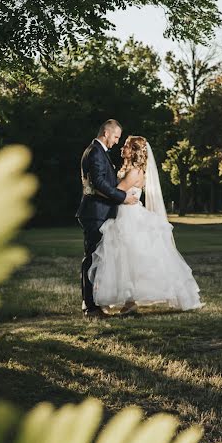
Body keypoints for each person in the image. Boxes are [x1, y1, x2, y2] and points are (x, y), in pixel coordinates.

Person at [88, 136, 203, 313]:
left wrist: (94, 190)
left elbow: (116, 193)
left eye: (126, 146)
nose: (122, 148)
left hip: (128, 218)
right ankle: (129, 302)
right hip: (125, 215)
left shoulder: (134, 172)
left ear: (133, 151)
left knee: (130, 259)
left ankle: (130, 301)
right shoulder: (131, 170)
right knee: (127, 260)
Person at [76, 120, 139, 318]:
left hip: (100, 211)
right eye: (116, 137)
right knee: (92, 258)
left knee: (98, 259)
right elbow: (100, 184)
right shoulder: (95, 152)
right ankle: (90, 307)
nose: (117, 141)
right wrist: (124, 197)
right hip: (95, 213)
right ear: (106, 132)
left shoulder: (99, 152)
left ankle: (96, 302)